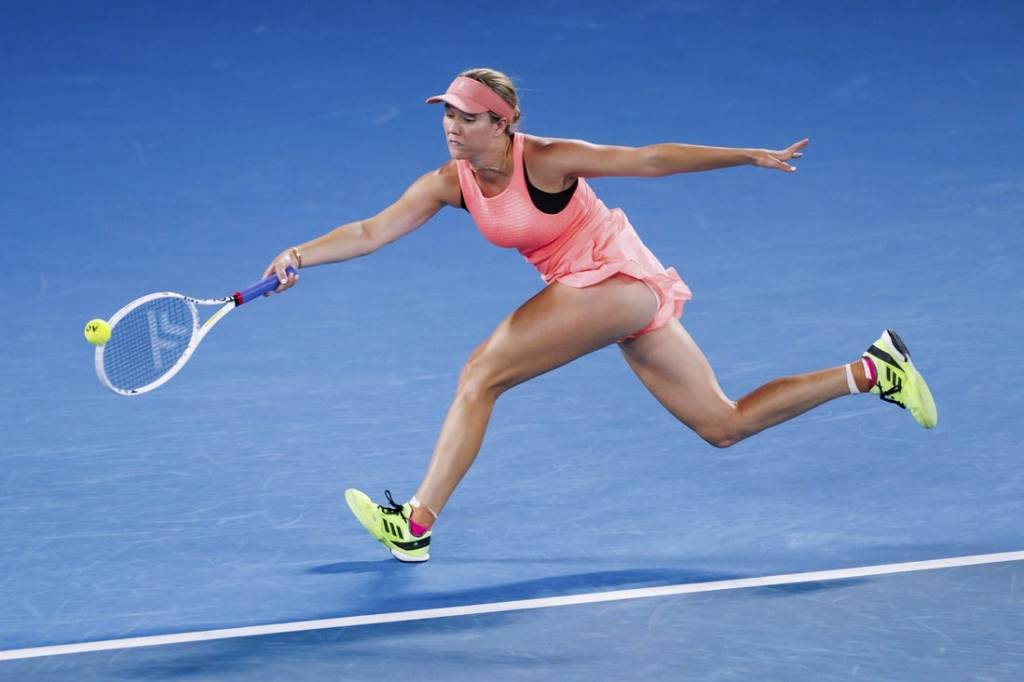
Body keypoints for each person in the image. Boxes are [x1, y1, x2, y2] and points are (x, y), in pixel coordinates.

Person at [262, 68, 936, 563]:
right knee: (722, 424)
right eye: (447, 112)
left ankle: (416, 522)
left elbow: (647, 160)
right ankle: (873, 371)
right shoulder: (448, 183)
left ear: (504, 122)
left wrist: (748, 155)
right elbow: (371, 231)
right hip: (609, 295)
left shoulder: (548, 160)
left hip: (613, 280)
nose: (452, 125)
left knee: (481, 375)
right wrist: (299, 254)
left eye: (468, 116)